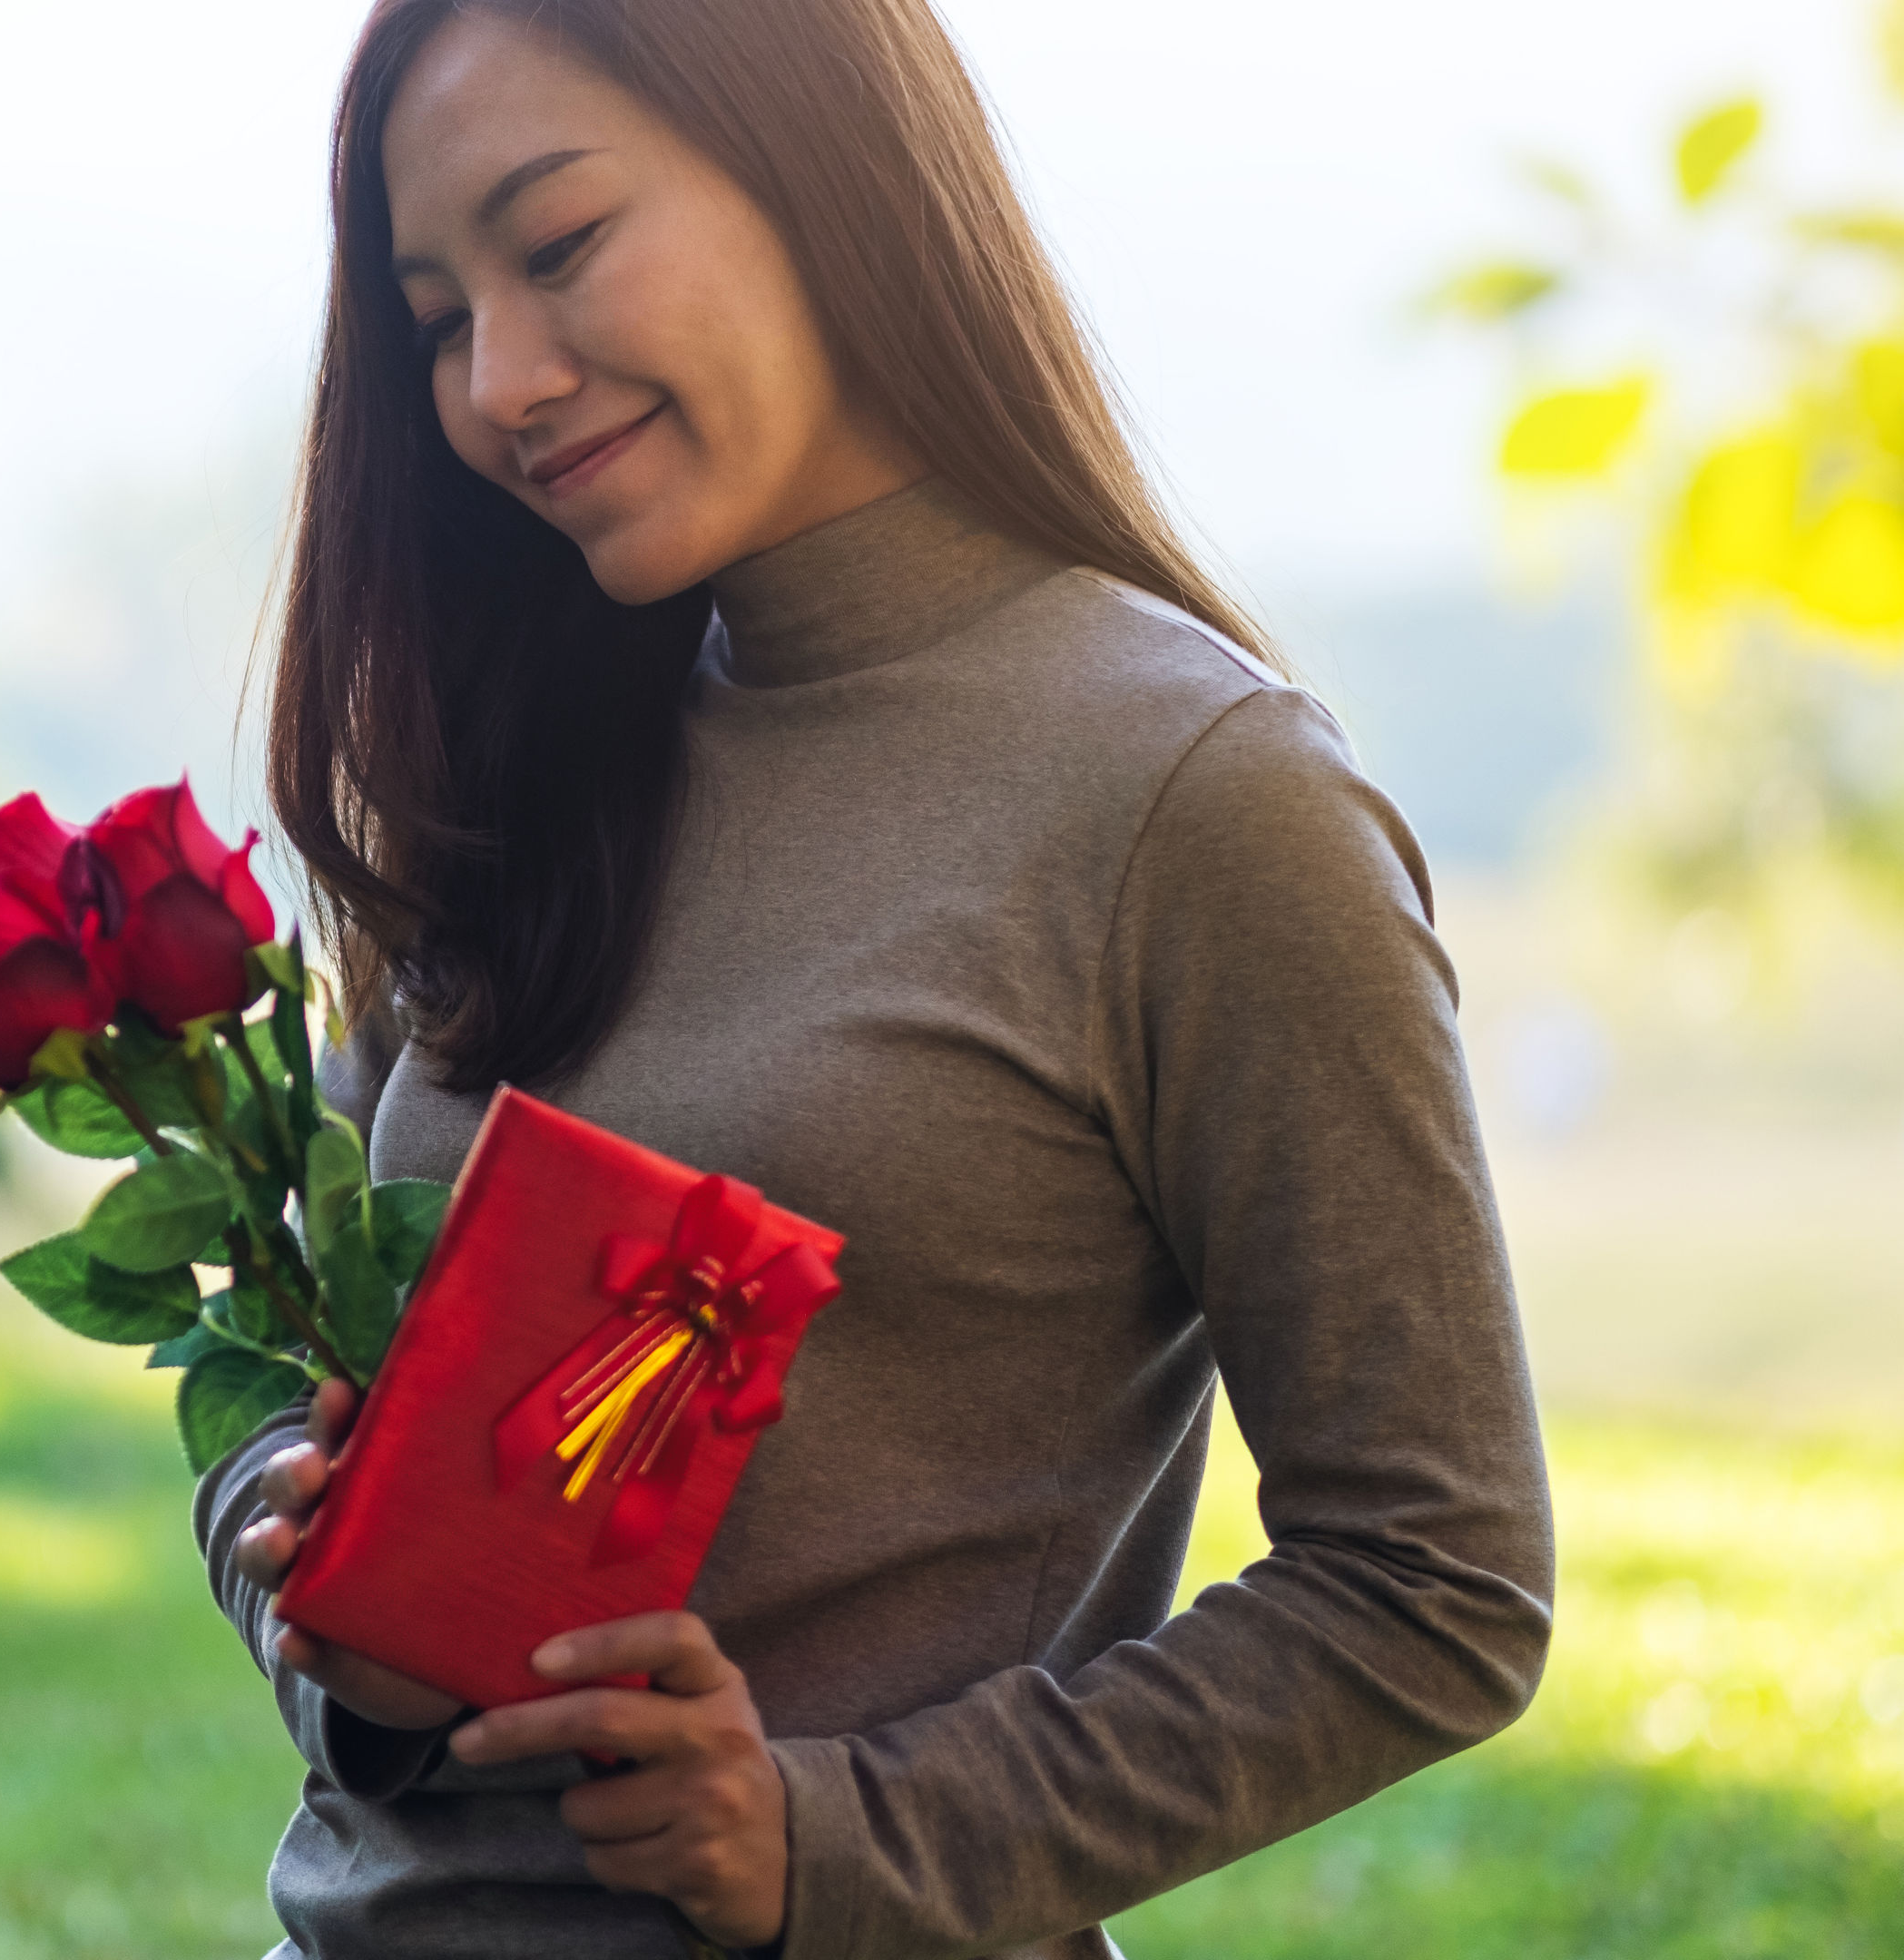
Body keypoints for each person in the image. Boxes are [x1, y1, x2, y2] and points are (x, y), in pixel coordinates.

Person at [200, 3, 1557, 1956]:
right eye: (434, 317)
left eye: (559, 244)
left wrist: (849, 1837)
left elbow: (1437, 1582)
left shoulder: (1200, 798)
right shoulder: (515, 751)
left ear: (823, 169)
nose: (497, 381)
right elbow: (276, 1370)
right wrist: (316, 1598)